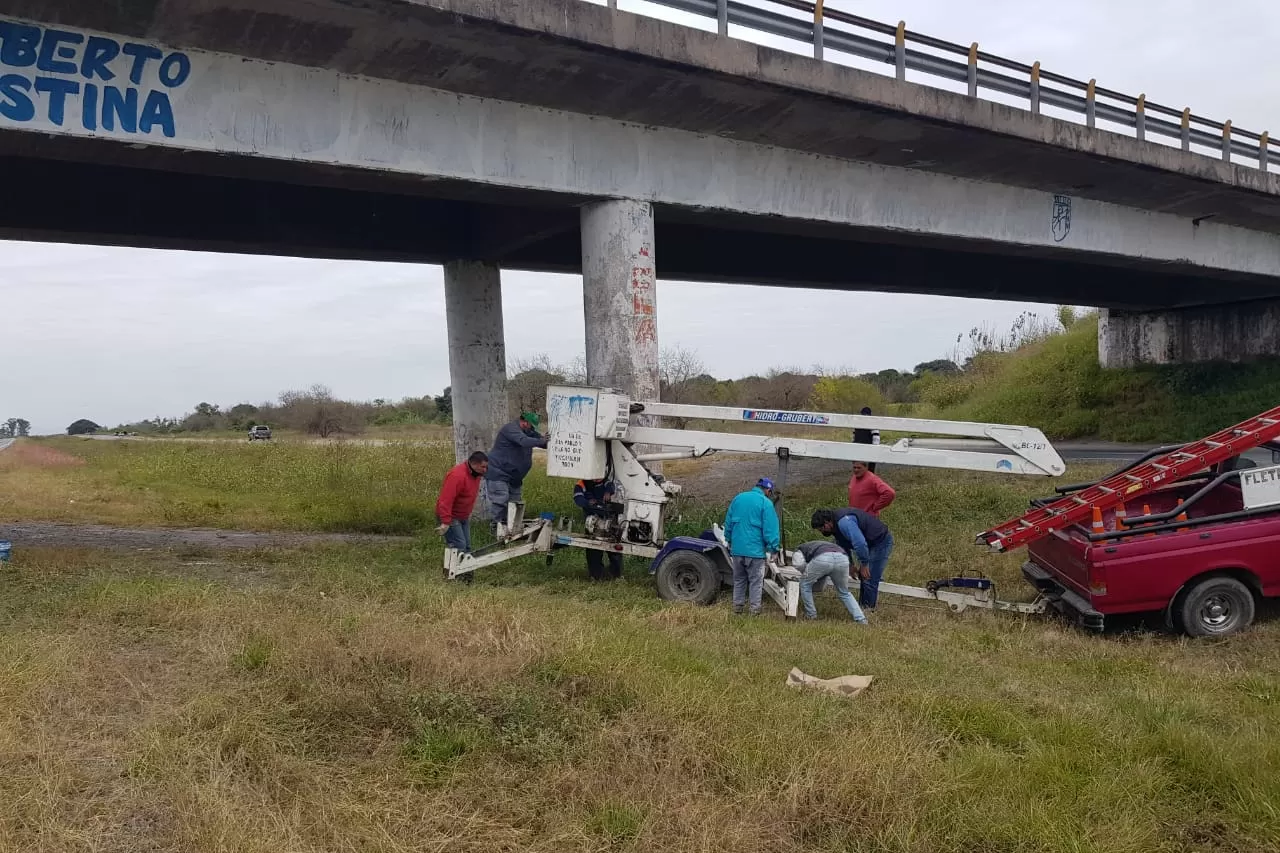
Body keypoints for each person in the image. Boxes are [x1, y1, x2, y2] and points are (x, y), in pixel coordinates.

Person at [811, 507, 895, 610]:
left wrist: (864, 564)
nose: (821, 532)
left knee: (869, 577)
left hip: (880, 542)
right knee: (863, 577)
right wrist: (850, 565)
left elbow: (859, 543)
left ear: (827, 522)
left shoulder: (844, 523)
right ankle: (863, 607)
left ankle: (868, 610)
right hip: (869, 543)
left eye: (821, 528)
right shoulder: (835, 526)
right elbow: (843, 545)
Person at [723, 478, 781, 615]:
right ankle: (754, 610)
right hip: (755, 552)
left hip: (737, 550)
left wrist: (729, 539)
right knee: (756, 581)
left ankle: (737, 608)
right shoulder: (765, 503)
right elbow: (770, 529)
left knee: (739, 580)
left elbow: (729, 521)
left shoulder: (738, 498)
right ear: (767, 490)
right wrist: (774, 548)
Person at [483, 412, 548, 527]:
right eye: (531, 426)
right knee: (501, 500)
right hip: (499, 471)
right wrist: (541, 440)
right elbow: (523, 441)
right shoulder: (511, 429)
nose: (532, 429)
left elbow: (542, 442)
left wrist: (548, 440)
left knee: (515, 503)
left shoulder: (529, 432)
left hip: (515, 476)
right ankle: (495, 527)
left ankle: (512, 528)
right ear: (524, 422)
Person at [791, 540, 868, 623]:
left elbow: (798, 564)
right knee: (844, 592)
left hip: (823, 558)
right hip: (843, 559)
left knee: (805, 584)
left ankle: (811, 615)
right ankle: (861, 619)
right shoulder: (821, 544)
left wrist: (806, 573)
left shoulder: (799, 550)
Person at [435, 451, 488, 553]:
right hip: (450, 516)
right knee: (459, 547)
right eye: (483, 467)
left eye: (486, 467)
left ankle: (468, 569)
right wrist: (445, 522)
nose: (485, 470)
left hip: (463, 516)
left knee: (467, 547)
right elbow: (445, 500)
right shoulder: (457, 476)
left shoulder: (476, 474)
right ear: (474, 464)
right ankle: (452, 568)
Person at [574, 478, 623, 581]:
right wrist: (588, 502)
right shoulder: (581, 483)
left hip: (609, 519)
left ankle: (616, 574)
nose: (597, 479)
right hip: (593, 522)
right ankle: (596, 576)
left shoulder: (605, 481)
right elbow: (578, 499)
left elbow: (610, 486)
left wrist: (608, 492)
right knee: (593, 550)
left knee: (615, 550)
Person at [852, 406, 880, 473]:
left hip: (864, 447)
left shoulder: (859, 424)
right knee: (862, 466)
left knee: (868, 467)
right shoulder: (858, 425)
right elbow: (876, 437)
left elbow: (876, 437)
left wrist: (874, 448)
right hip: (861, 447)